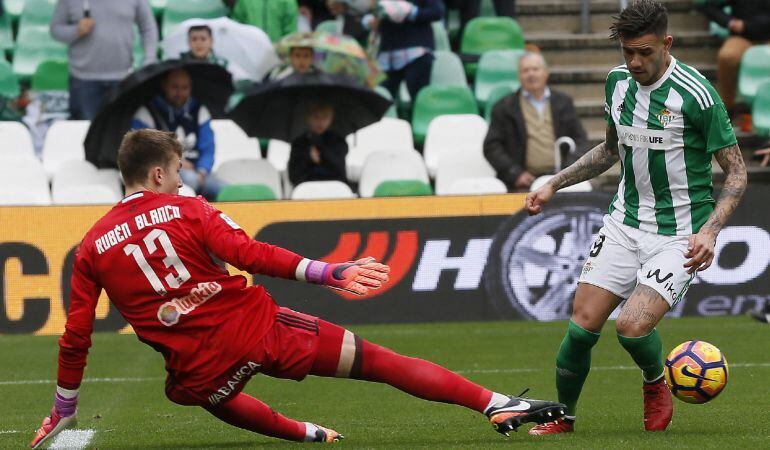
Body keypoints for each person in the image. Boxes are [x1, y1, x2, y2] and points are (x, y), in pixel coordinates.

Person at [30, 128, 566, 448]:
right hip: (261, 330)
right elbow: (250, 255)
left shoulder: (92, 245)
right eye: (174, 172)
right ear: (153, 175)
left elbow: (76, 336)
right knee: (376, 361)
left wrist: (65, 406)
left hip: (200, 369)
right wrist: (328, 271)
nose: (181, 181)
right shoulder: (189, 208)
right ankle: (494, 403)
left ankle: (305, 435)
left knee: (203, 392)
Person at [524, 0, 747, 435]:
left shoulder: (697, 94)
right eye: (627, 52)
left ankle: (654, 382)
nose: (634, 61)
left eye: (644, 52)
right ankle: (562, 418)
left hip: (679, 235)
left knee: (630, 326)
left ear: (667, 43)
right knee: (582, 326)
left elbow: (737, 171)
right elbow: (609, 151)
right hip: (624, 223)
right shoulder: (617, 84)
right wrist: (555, 182)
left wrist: (710, 231)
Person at [483, 52, 588, 191]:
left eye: (535, 69)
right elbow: (491, 146)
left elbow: (580, 140)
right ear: (519, 76)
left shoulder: (564, 102)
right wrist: (515, 173)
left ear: (545, 73)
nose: (531, 74)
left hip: (561, 177)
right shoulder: (504, 107)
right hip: (523, 182)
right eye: (525, 70)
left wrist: (567, 171)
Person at [50, 0, 158, 120]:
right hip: (83, 81)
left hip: (123, 78)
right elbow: (55, 29)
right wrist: (76, 30)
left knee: (120, 134)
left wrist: (149, 60)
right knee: (84, 133)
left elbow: (148, 28)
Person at [131, 68, 222, 201]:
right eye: (175, 87)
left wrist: (202, 171)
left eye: (184, 87)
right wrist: (176, 164)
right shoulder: (147, 113)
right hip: (162, 176)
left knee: (225, 190)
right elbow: (141, 153)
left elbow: (208, 149)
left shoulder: (199, 110)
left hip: (199, 173)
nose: (180, 93)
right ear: (164, 85)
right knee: (190, 180)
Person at [696, 0, 770, 114]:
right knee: (727, 57)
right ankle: (728, 107)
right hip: (743, 37)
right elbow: (709, 6)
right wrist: (730, 22)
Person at [367, 0, 445, 100]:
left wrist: (410, 12)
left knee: (419, 99)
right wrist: (370, 20)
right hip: (387, 55)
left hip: (416, 52)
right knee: (380, 98)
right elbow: (369, 12)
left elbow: (437, 12)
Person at [289, 101, 348, 186]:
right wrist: (308, 158)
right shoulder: (299, 143)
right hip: (307, 188)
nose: (321, 122)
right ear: (308, 118)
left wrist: (322, 151)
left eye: (325, 117)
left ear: (331, 119)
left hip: (334, 187)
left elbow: (340, 169)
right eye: (316, 117)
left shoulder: (338, 140)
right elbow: (293, 175)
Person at [230, 0, 298, 42]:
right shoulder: (244, 1)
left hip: (278, 56)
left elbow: (291, 33)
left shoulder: (287, 1)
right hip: (251, 53)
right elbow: (237, 26)